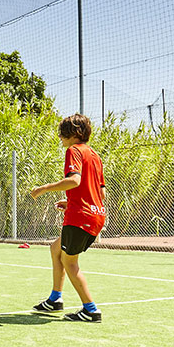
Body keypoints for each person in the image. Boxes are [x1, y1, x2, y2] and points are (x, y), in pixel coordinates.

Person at [30, 114, 107, 322]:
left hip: (81, 216)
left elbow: (74, 180)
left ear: (74, 133)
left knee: (69, 262)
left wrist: (44, 188)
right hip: (96, 214)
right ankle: (55, 299)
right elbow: (101, 193)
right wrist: (71, 202)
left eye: (62, 133)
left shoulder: (73, 151)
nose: (59, 137)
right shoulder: (94, 155)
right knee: (56, 249)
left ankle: (91, 310)